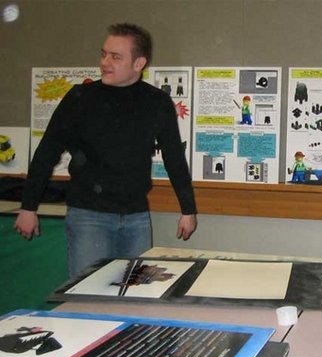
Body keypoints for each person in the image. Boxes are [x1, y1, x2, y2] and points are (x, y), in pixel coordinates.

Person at [14, 23, 198, 277]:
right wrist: (28, 207)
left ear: (139, 63)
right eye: (103, 54)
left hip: (136, 218)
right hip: (89, 217)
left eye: (116, 57)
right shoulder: (81, 98)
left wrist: (187, 209)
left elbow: (174, 158)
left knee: (135, 297)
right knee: (87, 297)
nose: (105, 63)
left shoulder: (156, 102)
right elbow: (47, 152)